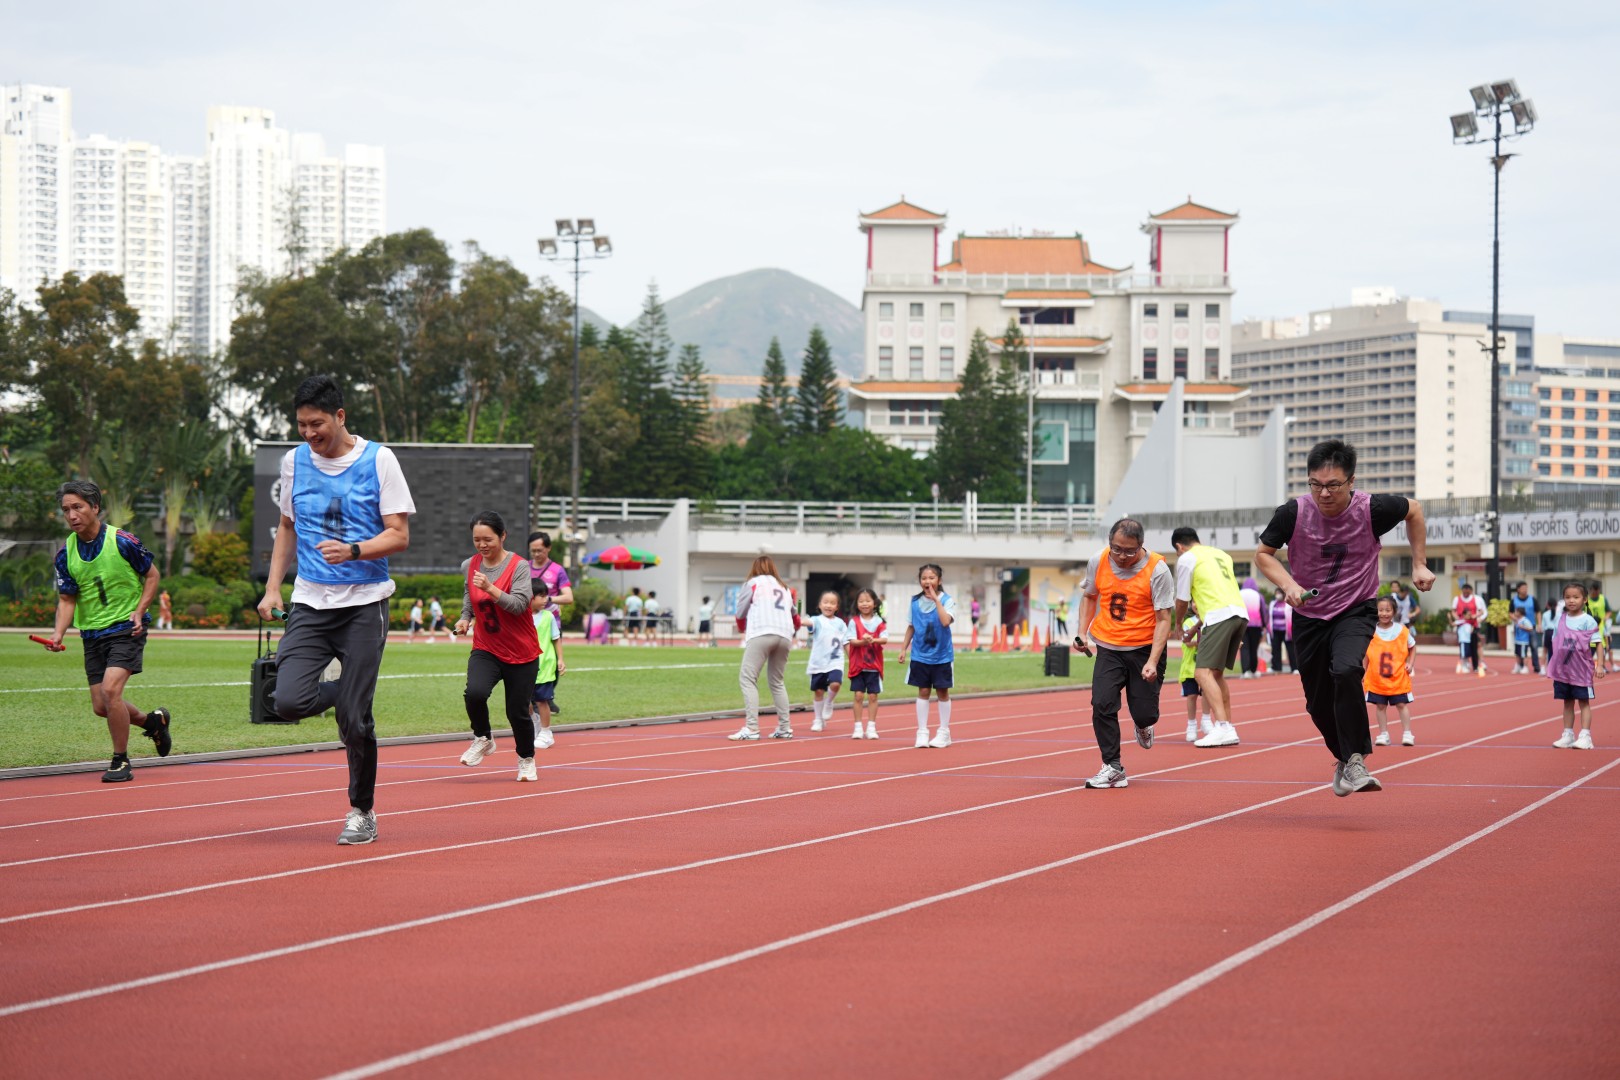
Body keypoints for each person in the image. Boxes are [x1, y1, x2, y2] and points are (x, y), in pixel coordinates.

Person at [256, 375, 414, 844]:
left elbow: (399, 535)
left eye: (317, 424)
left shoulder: (379, 460)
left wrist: (355, 550)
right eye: (302, 425)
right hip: (310, 600)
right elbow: (287, 527)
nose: (309, 433)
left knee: (354, 720)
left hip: (365, 603)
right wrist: (273, 588)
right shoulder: (294, 462)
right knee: (287, 701)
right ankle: (349, 692)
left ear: (340, 416)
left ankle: (361, 811)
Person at [1255, 438, 1433, 798]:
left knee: (1348, 669)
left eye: (1333, 485)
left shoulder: (1373, 509)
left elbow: (1414, 510)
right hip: (1309, 613)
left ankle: (1355, 760)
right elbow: (1263, 554)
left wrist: (1419, 563)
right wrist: (1289, 585)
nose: (1324, 493)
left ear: (1352, 481)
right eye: (1316, 484)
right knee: (1317, 702)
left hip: (1356, 607)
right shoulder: (1293, 512)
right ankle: (1343, 757)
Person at [49, 480, 173, 783]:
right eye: (66, 510)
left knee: (111, 691)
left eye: (77, 507)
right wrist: (58, 633)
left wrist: (139, 610)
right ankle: (153, 723)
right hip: (92, 633)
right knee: (101, 706)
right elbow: (67, 600)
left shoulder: (122, 541)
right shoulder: (65, 553)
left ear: (95, 507)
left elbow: (152, 576)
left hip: (126, 627)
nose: (72, 515)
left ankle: (120, 760)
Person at [1075, 518, 1174, 789]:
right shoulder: (1098, 560)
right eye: (1116, 549)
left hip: (1144, 647)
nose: (1121, 556)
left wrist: (1153, 660)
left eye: (1129, 551)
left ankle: (1144, 725)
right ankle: (1113, 766)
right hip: (1109, 646)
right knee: (1102, 703)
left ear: (1141, 546)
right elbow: (1090, 597)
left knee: (1144, 713)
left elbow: (1164, 619)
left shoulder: (1158, 570)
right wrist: (1082, 633)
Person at [453, 510, 539, 780]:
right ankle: (483, 738)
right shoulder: (470, 565)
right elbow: (470, 594)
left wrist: (491, 588)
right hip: (487, 647)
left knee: (517, 712)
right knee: (475, 693)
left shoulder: (519, 566)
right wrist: (465, 618)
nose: (482, 545)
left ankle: (526, 759)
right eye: (476, 540)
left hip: (521, 651)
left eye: (487, 539)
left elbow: (520, 605)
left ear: (503, 536)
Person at [1171, 527, 1244, 748]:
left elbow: (1182, 599)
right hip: (1239, 613)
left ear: (1179, 547)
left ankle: (1223, 727)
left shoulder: (1187, 558)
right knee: (1216, 674)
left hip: (1217, 615)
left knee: (1201, 673)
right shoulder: (1221, 554)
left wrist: (1178, 623)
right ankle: (1228, 725)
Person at [728, 556, 798, 741]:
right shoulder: (784, 587)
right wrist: (795, 628)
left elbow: (740, 612)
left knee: (747, 678)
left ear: (755, 568)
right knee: (777, 682)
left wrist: (742, 628)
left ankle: (752, 728)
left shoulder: (752, 583)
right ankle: (785, 728)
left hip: (762, 631)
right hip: (785, 635)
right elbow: (795, 614)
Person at [900, 563, 957, 748]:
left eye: (932, 578)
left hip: (942, 656)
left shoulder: (947, 600)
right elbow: (911, 626)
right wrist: (903, 648)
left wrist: (936, 600)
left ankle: (944, 732)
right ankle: (922, 732)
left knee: (942, 692)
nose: (927, 581)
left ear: (939, 580)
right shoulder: (914, 602)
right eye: (924, 578)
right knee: (923, 691)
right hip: (920, 655)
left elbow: (945, 621)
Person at [1551, 581, 1605, 749]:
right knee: (1567, 702)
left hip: (1581, 670)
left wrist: (1600, 665)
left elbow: (1598, 643)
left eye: (1576, 597)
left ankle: (1585, 736)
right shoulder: (1561, 619)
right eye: (1567, 597)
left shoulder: (1588, 620)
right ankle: (1567, 735)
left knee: (1583, 702)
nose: (1571, 600)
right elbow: (1556, 642)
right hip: (1564, 670)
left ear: (1585, 599)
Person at [1364, 596, 1418, 747]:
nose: (1384, 613)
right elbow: (1366, 653)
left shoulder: (1401, 630)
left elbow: (1412, 646)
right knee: (1380, 706)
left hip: (1397, 678)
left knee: (1401, 704)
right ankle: (1383, 734)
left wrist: (1410, 664)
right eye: (1380, 610)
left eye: (1388, 610)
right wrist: (1363, 670)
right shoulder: (1371, 630)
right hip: (1377, 678)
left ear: (1394, 611)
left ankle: (1407, 733)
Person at [805, 590, 849, 733]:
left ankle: (829, 702)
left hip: (835, 661)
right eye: (825, 602)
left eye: (832, 603)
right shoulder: (817, 620)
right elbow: (807, 623)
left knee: (835, 684)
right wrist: (797, 619)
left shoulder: (841, 623)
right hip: (818, 662)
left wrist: (852, 658)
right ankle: (818, 719)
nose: (828, 605)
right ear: (820, 605)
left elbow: (846, 642)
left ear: (837, 607)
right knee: (818, 691)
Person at [531, 577, 566, 751]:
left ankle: (546, 732)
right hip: (524, 665)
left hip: (544, 665)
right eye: (542, 596)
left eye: (547, 595)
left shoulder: (548, 616)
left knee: (542, 700)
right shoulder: (519, 616)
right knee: (523, 701)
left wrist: (560, 659)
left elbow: (556, 638)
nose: (546, 599)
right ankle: (534, 722)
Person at [847, 587, 887, 740]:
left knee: (873, 696)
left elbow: (884, 639)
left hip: (874, 666)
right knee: (858, 695)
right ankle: (858, 727)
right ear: (857, 604)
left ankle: (871, 727)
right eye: (861, 601)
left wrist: (873, 639)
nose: (864, 604)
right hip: (858, 666)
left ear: (874, 603)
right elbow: (852, 641)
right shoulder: (854, 622)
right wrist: (863, 641)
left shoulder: (879, 622)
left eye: (868, 601)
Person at [1178, 606, 1211, 743]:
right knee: (1192, 696)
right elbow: (1187, 642)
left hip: (1206, 665)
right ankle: (1191, 725)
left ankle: (1206, 719)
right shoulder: (1188, 622)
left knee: (1207, 693)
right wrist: (1202, 643)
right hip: (1190, 666)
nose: (1197, 605)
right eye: (1194, 602)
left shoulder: (1211, 620)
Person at [1451, 582, 1485, 676]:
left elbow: (1481, 611)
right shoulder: (1457, 599)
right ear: (1462, 591)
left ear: (1471, 591)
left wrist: (1474, 616)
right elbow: (1453, 611)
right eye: (1464, 592)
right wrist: (1457, 618)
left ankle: (1475, 666)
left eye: (1468, 592)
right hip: (1462, 626)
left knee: (1474, 646)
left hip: (1473, 625)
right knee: (1463, 645)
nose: (1466, 593)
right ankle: (1465, 662)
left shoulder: (1476, 599)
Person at [1510, 581, 1540, 675]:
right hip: (1519, 628)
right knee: (1519, 647)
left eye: (1526, 588)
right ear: (1518, 589)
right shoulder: (1514, 600)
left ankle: (1536, 666)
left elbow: (1538, 612)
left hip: (1531, 627)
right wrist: (1517, 620)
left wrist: (1539, 624)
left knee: (1534, 647)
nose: (1525, 590)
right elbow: (1510, 613)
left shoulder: (1532, 599)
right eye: (1523, 588)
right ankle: (1521, 666)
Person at [1239, 577, 1265, 677]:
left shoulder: (1239, 594)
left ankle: (1245, 671)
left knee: (1244, 648)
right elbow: (1263, 611)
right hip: (1255, 625)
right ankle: (1253, 670)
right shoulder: (1258, 595)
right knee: (1254, 648)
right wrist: (1264, 624)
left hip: (1242, 624)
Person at [1267, 590, 1297, 675]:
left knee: (1290, 649)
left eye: (1279, 593)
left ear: (1283, 594)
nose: (1277, 595)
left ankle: (1295, 668)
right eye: (1276, 593)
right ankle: (1276, 667)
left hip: (1286, 631)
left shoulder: (1288, 604)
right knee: (1275, 649)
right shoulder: (1273, 604)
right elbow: (1269, 616)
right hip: (1275, 630)